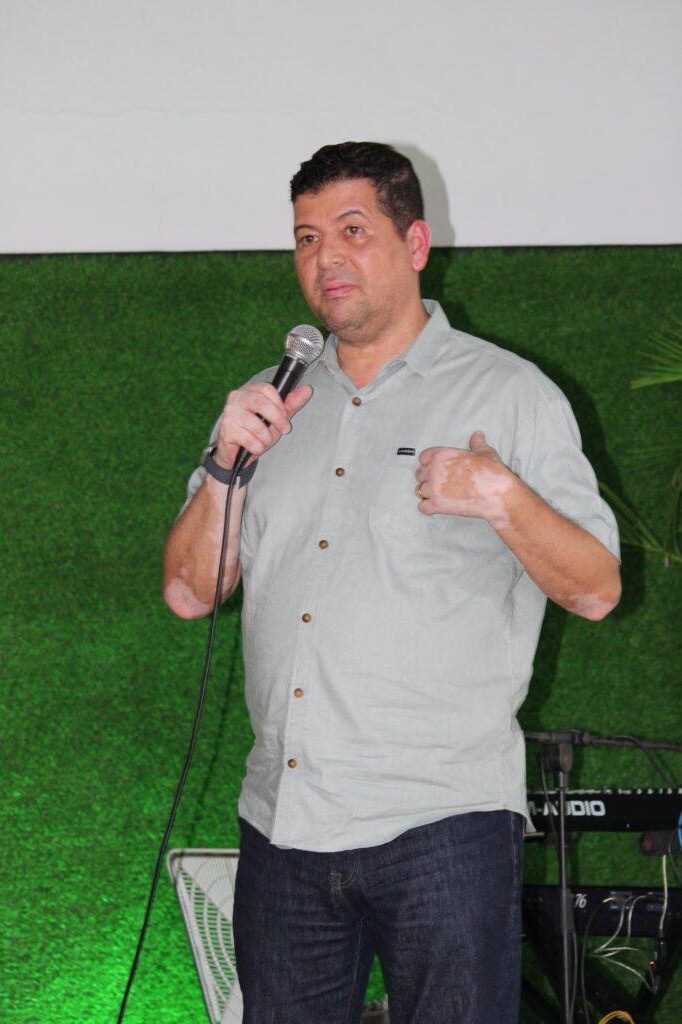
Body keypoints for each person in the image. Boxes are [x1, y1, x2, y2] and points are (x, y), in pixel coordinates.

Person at [163, 142, 621, 1023]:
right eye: (305, 238)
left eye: (351, 230)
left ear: (414, 244)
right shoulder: (267, 402)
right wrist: (224, 466)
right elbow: (189, 593)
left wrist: (501, 496)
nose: (325, 258)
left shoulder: (511, 393)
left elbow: (595, 588)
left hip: (441, 825)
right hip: (283, 822)